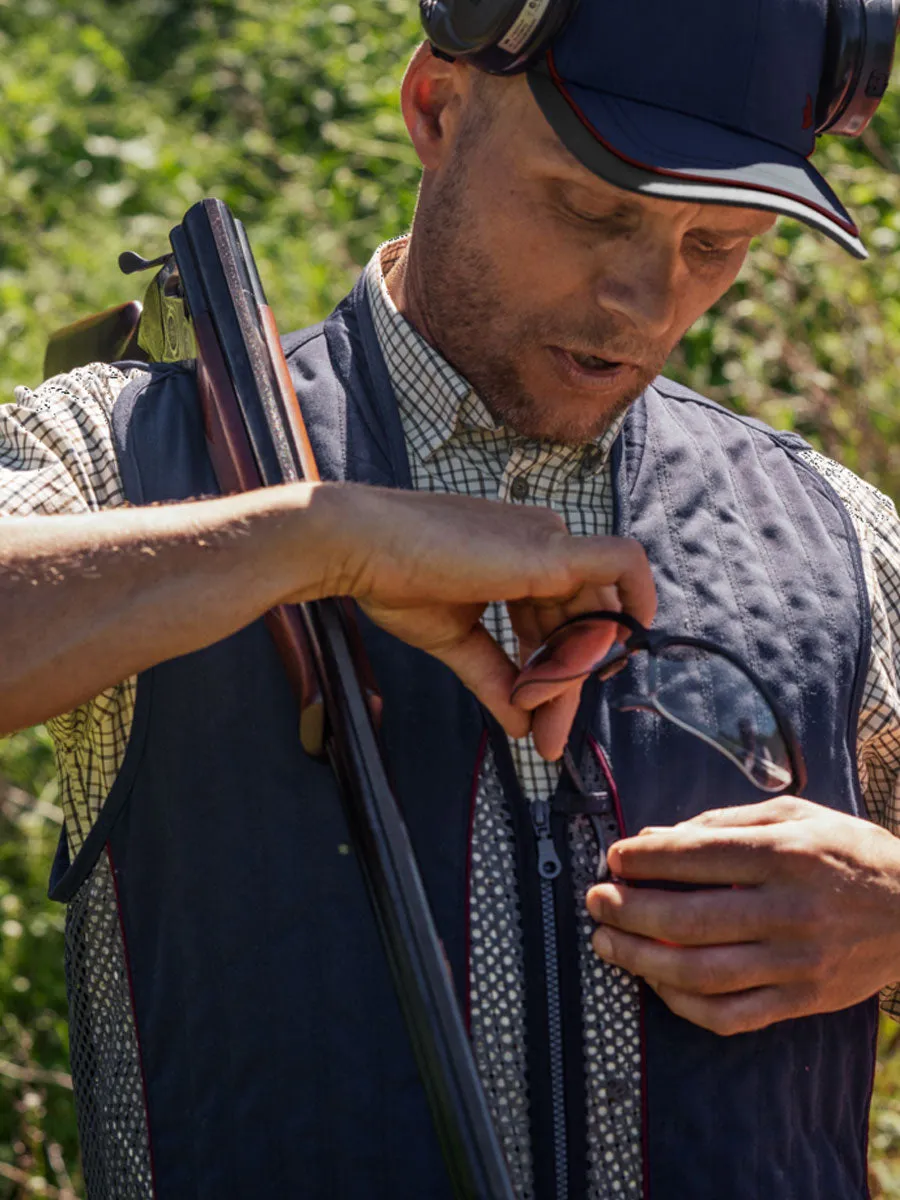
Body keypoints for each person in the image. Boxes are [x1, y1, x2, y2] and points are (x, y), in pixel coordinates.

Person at [2, 0, 900, 1196]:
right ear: (436, 106)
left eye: (719, 244)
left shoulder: (840, 527)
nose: (645, 300)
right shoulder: (124, 456)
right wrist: (306, 540)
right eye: (592, 207)